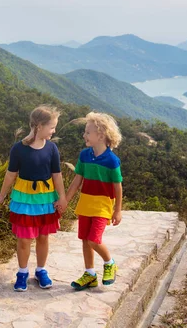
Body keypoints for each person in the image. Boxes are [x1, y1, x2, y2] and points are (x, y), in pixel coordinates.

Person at [0, 105, 68, 292]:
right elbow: (11, 174)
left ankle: (41, 270)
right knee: (24, 239)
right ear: (38, 126)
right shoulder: (18, 149)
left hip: (45, 198)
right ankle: (22, 272)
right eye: (51, 127)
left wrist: (62, 197)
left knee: (43, 237)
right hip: (24, 198)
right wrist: (2, 195)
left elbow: (57, 175)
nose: (54, 131)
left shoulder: (52, 148)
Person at [66, 112, 123, 290]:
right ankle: (90, 274)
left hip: (102, 206)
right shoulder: (84, 155)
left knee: (93, 239)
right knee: (84, 239)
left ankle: (110, 263)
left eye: (87, 132)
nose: (84, 135)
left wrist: (117, 210)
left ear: (101, 135)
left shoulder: (112, 160)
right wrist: (66, 200)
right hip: (85, 203)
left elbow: (117, 186)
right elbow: (77, 180)